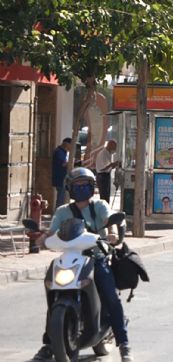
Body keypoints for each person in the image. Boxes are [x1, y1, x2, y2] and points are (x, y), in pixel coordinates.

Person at [33, 167, 133, 361]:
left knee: (111, 297)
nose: (80, 189)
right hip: (71, 258)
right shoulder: (63, 211)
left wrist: (111, 233)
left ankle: (124, 344)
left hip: (96, 258)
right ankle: (48, 345)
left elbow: (109, 221)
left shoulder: (99, 206)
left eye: (84, 185)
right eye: (76, 186)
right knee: (54, 296)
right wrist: (42, 237)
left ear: (92, 187)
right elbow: (52, 231)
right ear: (70, 188)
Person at [52, 138, 72, 209]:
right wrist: (73, 162)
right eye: (71, 145)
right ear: (67, 144)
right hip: (60, 177)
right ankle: (58, 212)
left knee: (63, 197)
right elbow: (63, 164)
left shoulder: (64, 152)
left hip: (63, 177)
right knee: (61, 197)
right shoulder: (59, 152)